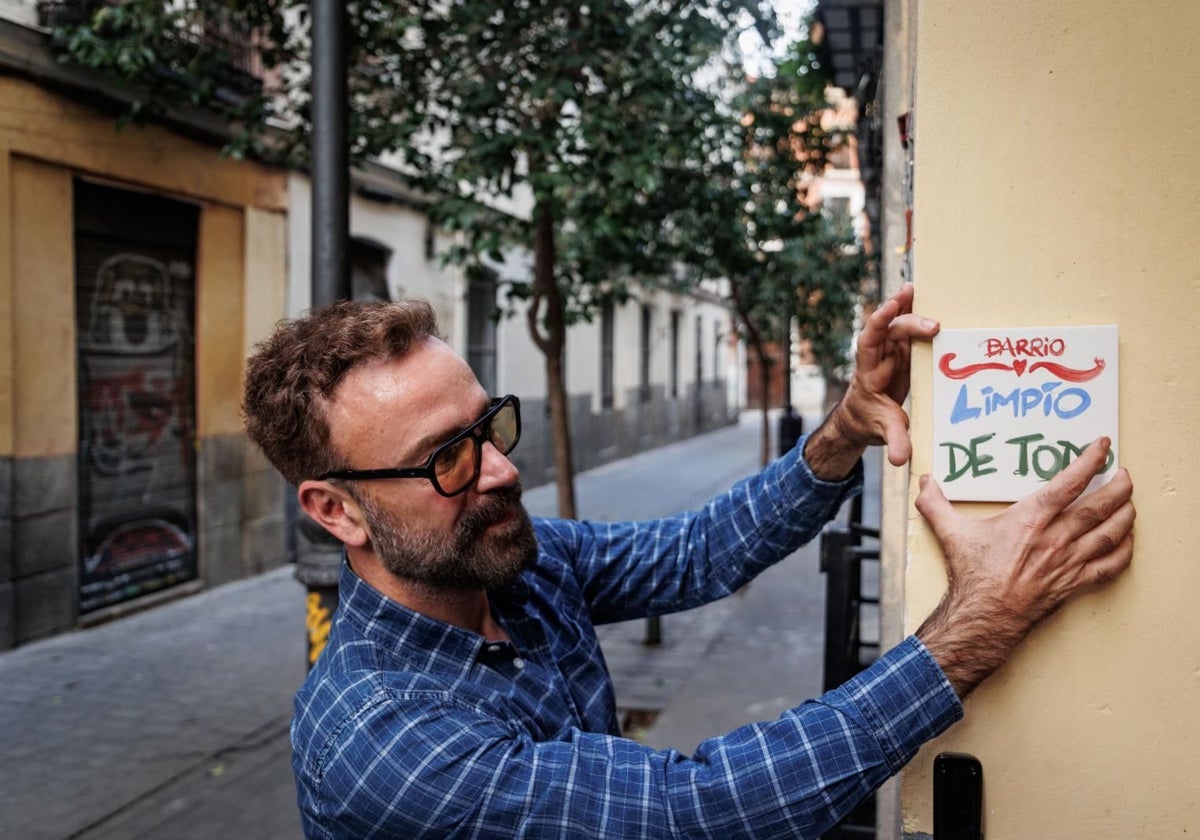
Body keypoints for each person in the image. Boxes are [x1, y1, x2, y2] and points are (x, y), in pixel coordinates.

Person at [242, 283, 1134, 839]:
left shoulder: (514, 563)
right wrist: (974, 626)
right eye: (449, 457)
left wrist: (844, 429)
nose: (505, 470)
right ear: (335, 510)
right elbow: (691, 813)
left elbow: (697, 552)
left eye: (489, 426)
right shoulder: (383, 741)